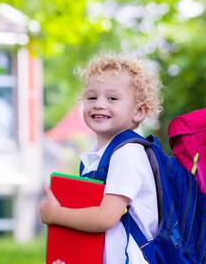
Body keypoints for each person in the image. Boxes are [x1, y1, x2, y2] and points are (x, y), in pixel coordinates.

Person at [40, 52, 162, 264]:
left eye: (112, 98)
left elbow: (106, 217)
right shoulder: (102, 156)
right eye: (91, 97)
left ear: (139, 112)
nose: (98, 104)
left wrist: (57, 214)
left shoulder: (128, 153)